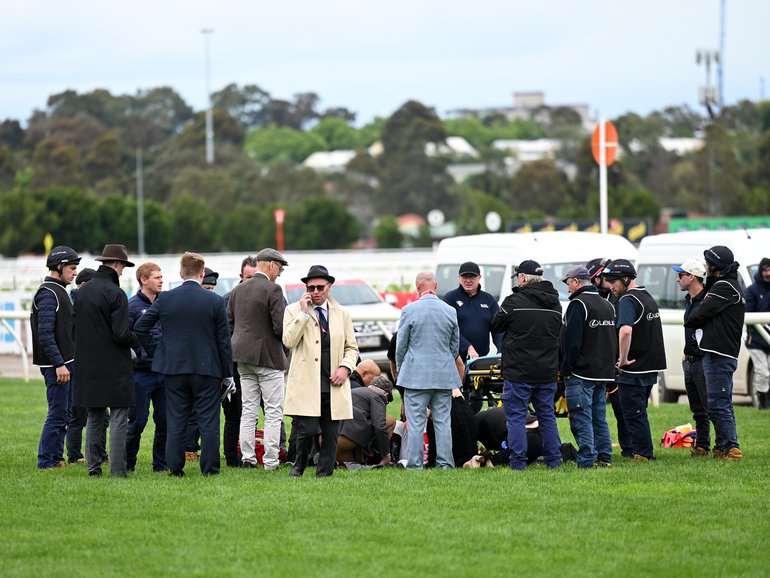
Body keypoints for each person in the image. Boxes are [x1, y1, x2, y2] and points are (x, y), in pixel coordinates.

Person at [134, 252, 233, 476]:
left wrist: (159, 351)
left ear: (180, 273)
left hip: (174, 368)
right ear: (201, 273)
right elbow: (223, 341)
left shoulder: (166, 298)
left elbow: (141, 327)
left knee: (176, 419)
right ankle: (210, 469)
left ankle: (175, 468)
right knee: (208, 421)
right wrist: (227, 373)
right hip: (207, 369)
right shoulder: (215, 300)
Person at [283, 265, 359, 478]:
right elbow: (288, 341)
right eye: (311, 287)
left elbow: (352, 348)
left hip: (333, 382)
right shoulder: (293, 310)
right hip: (307, 382)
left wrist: (345, 368)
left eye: (319, 287)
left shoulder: (342, 313)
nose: (315, 291)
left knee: (331, 432)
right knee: (306, 429)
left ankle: (324, 472)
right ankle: (298, 466)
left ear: (329, 287)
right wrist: (304, 314)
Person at [74, 244, 140, 477]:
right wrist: (137, 339)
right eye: (123, 267)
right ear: (118, 264)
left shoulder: (82, 291)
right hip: (114, 365)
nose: (123, 272)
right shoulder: (116, 293)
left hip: (87, 364)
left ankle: (93, 469)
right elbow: (121, 334)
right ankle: (117, 471)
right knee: (119, 417)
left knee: (95, 416)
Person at [491, 260, 563, 470]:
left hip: (518, 371)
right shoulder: (555, 303)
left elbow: (496, 324)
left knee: (516, 418)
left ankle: (518, 462)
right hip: (547, 371)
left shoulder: (514, 301)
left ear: (522, 278)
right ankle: (554, 461)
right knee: (547, 416)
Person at [228, 248, 289, 471]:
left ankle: (247, 457)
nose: (279, 273)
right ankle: (271, 461)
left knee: (249, 409)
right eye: (279, 268)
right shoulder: (273, 289)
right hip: (267, 357)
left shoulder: (238, 290)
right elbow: (279, 327)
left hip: (241, 356)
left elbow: (231, 323)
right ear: (271, 265)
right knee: (273, 411)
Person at [602, 258, 666, 462]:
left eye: (614, 281)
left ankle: (643, 454)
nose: (610, 286)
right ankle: (643, 451)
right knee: (639, 411)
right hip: (651, 365)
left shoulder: (627, 300)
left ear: (627, 279)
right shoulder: (647, 296)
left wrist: (622, 359)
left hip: (635, 368)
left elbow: (626, 331)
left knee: (634, 413)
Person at [684, 246, 745, 461]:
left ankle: (732, 448)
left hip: (719, 354)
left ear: (715, 267)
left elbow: (695, 317)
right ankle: (721, 447)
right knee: (716, 404)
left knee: (719, 404)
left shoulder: (724, 287)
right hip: (715, 352)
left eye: (708, 262)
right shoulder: (722, 285)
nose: (705, 266)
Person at [396, 271, 461, 470]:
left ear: (417, 286)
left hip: (416, 375)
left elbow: (401, 347)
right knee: (443, 421)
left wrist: (401, 371)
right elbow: (455, 347)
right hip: (443, 374)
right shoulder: (450, 310)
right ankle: (445, 464)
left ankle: (415, 465)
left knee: (416, 423)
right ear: (436, 286)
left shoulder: (409, 310)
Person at [561, 266, 615, 468]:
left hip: (581, 372)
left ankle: (586, 460)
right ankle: (604, 457)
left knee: (581, 417)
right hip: (603, 372)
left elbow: (572, 341)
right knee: (599, 417)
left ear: (576, 282)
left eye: (568, 283)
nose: (567, 289)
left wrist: (566, 367)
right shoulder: (607, 304)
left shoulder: (578, 304)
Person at [31, 245, 81, 469]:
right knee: (58, 413)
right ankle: (46, 461)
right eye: (72, 267)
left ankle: (56, 458)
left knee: (65, 413)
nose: (75, 272)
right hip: (56, 365)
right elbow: (45, 333)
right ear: (59, 267)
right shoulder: (48, 293)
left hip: (64, 363)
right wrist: (59, 363)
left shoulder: (59, 289)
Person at [585, 257, 632, 458]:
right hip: (603, 365)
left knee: (623, 411)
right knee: (599, 413)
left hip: (616, 365)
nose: (610, 281)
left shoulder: (619, 298)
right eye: (606, 277)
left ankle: (630, 449)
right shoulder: (598, 300)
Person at [126, 262, 167, 473]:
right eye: (157, 277)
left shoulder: (166, 304)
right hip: (140, 374)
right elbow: (125, 338)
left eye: (161, 277)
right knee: (137, 422)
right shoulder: (132, 306)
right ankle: (128, 463)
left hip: (163, 371)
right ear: (144, 280)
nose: (161, 280)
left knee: (165, 421)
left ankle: (160, 465)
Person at [221, 256, 259, 467]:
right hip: (234, 366)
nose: (252, 282)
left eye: (256, 277)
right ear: (240, 277)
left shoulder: (271, 295)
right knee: (235, 415)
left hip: (263, 364)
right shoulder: (226, 300)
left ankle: (273, 453)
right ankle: (231, 458)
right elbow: (223, 337)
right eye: (248, 277)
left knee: (269, 413)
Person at [673, 258, 713, 456]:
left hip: (703, 360)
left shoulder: (707, 300)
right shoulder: (688, 299)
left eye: (681, 275)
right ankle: (702, 446)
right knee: (697, 409)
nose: (677, 279)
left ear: (692, 277)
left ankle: (723, 446)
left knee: (710, 407)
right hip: (690, 360)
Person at [185, 266, 221, 459]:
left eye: (211, 290)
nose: (209, 293)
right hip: (193, 364)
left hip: (207, 363)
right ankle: (189, 447)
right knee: (192, 410)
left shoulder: (215, 304)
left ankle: (192, 447)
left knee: (201, 411)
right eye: (205, 288)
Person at [66, 267, 100, 465]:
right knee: (78, 415)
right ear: (84, 285)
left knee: (97, 416)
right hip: (78, 365)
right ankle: (75, 456)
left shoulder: (79, 302)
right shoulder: (75, 305)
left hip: (88, 364)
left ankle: (94, 455)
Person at [336, 375, 395, 466]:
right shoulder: (378, 396)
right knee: (391, 420)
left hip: (328, 439)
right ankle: (376, 456)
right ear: (386, 395)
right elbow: (379, 426)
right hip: (346, 440)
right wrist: (386, 455)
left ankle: (362, 455)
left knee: (349, 467)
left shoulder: (353, 391)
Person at [744, 257, 770, 410]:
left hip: (767, 338)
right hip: (756, 339)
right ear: (761, 271)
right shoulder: (752, 290)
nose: (768, 273)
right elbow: (748, 314)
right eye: (766, 270)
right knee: (762, 372)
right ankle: (763, 404)